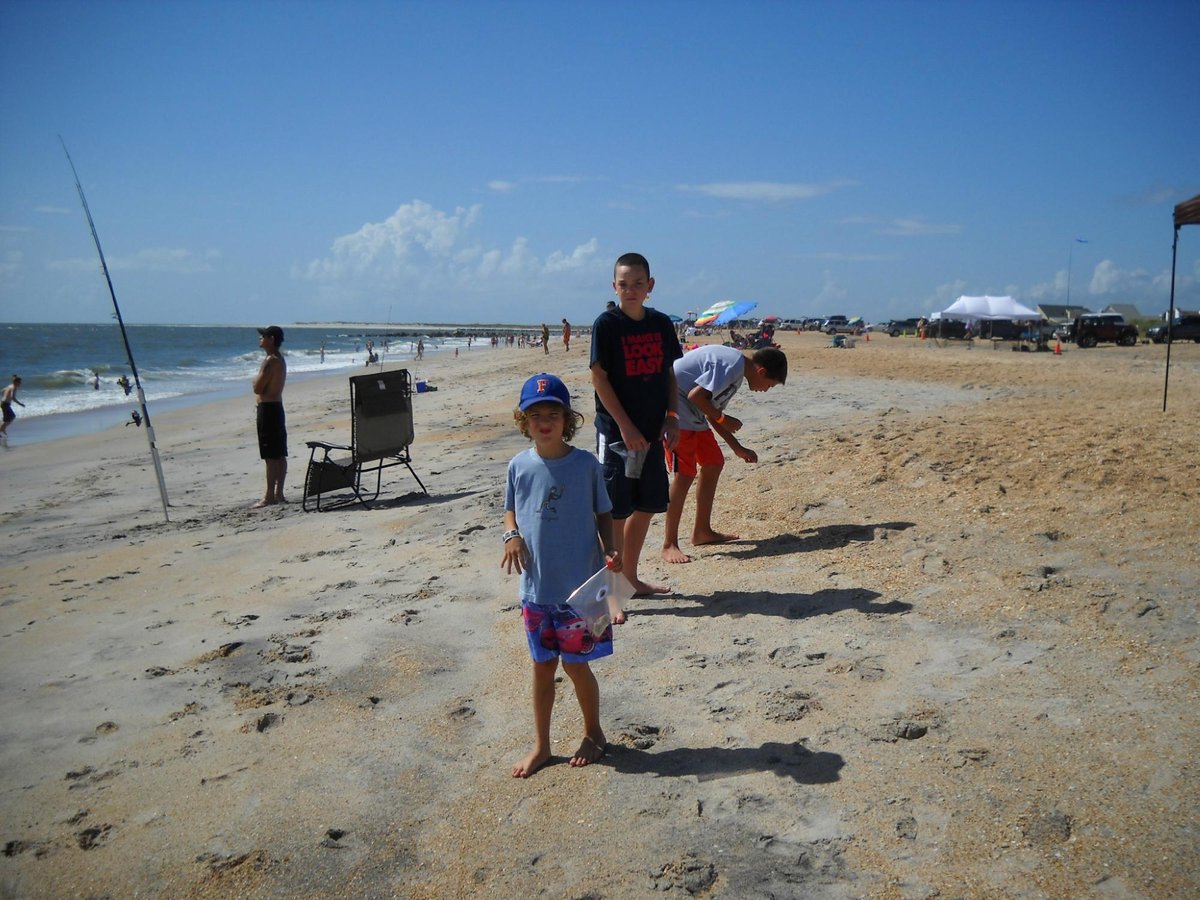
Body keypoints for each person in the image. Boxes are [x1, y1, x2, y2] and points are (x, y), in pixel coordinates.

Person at [502, 372, 622, 778]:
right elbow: (510, 510)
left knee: (576, 666)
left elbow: (604, 513)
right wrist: (511, 535)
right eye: (536, 415)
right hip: (536, 589)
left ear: (567, 419)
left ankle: (594, 732)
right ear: (524, 421)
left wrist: (610, 547)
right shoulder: (518, 466)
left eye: (553, 413)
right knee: (541, 667)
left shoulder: (585, 464)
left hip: (579, 590)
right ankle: (541, 745)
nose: (545, 421)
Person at [590, 252, 683, 597]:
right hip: (616, 434)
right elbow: (599, 379)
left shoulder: (660, 325)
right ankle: (611, 589)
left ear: (650, 286)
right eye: (624, 284)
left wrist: (672, 417)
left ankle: (630, 577)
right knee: (615, 510)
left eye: (638, 284)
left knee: (647, 504)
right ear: (615, 286)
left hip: (652, 431)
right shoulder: (607, 325)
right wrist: (625, 427)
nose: (631, 290)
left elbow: (669, 374)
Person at [662, 346, 787, 564]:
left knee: (713, 463)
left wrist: (737, 447)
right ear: (761, 372)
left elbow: (710, 409)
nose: (766, 390)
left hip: (693, 414)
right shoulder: (732, 366)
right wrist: (723, 419)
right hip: (675, 412)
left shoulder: (737, 372)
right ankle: (669, 543)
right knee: (684, 475)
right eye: (770, 385)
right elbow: (697, 396)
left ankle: (701, 532)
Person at [252, 326, 288, 508]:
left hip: (268, 408)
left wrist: (255, 380)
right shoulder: (280, 359)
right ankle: (278, 493)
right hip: (276, 407)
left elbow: (257, 388)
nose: (260, 339)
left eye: (263, 336)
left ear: (271, 339)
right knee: (279, 453)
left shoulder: (270, 361)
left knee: (271, 456)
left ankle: (269, 496)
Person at [1, 375, 26, 448]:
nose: (20, 383)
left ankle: (3, 429)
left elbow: (2, 391)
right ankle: (2, 429)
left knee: (8, 418)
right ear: (16, 382)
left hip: (3, 403)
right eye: (19, 382)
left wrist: (5, 397)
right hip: (5, 404)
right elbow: (13, 398)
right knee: (10, 417)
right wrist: (20, 404)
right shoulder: (14, 388)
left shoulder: (10, 386)